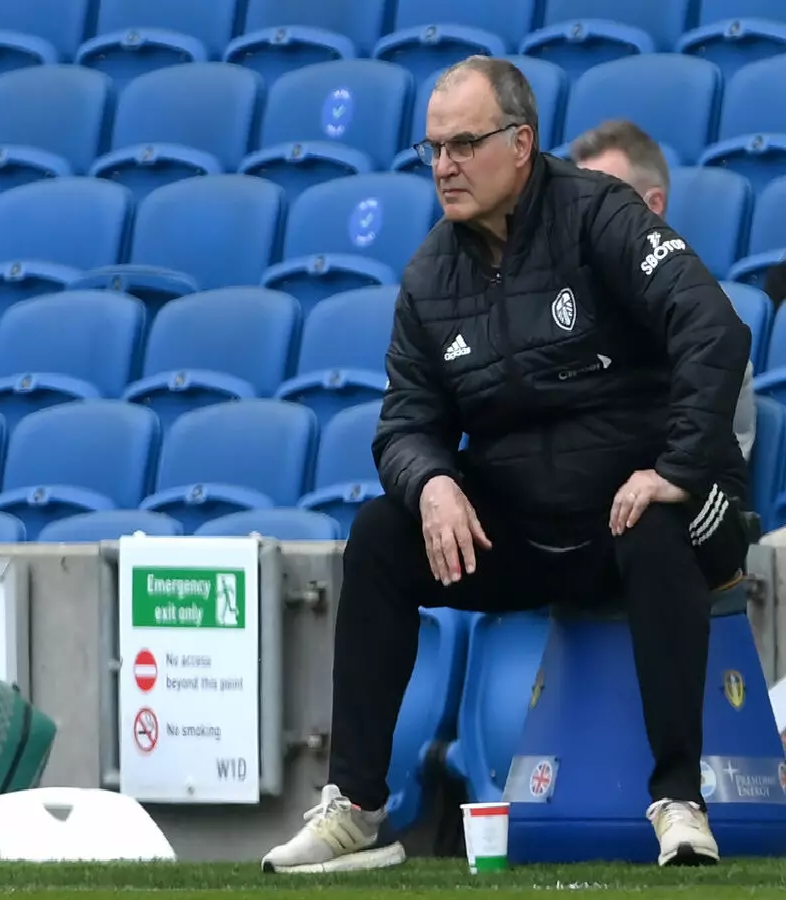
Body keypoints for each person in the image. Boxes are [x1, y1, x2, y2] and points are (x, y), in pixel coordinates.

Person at [261, 56, 751, 874]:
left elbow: (715, 326)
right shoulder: (427, 277)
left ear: (521, 143)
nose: (444, 166)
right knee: (382, 534)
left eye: (463, 144)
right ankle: (356, 808)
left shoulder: (602, 215)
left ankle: (678, 802)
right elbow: (403, 427)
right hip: (532, 534)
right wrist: (434, 483)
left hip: (650, 512)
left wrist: (678, 462)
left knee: (660, 520)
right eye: (433, 150)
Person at [568, 119, 756, 461]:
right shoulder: (563, 307)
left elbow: (710, 465)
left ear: (653, 205)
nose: (584, 219)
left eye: (602, 204)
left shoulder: (708, 316)